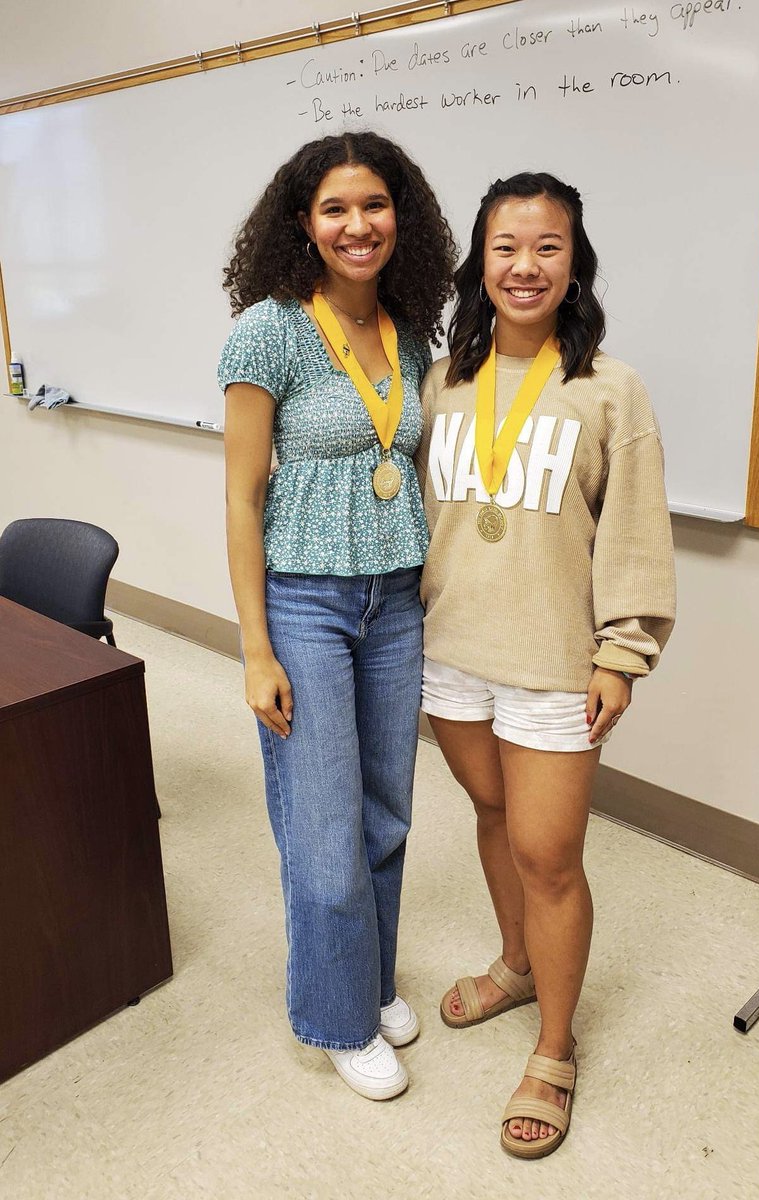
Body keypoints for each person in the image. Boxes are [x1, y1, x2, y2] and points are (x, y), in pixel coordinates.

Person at [415, 172, 676, 1157]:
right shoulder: (441, 380)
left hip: (558, 660)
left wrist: (624, 652)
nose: (525, 266)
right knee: (492, 817)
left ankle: (555, 1049)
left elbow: (638, 535)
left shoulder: (611, 387)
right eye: (506, 248)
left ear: (576, 262)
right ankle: (516, 964)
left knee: (549, 857)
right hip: (453, 655)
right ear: (478, 264)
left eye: (548, 247)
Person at [218, 132, 455, 1100]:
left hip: (394, 598)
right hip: (306, 605)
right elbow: (241, 499)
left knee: (387, 813)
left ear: (403, 217)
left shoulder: (410, 328)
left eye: (374, 205)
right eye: (334, 209)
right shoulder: (267, 331)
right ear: (303, 224)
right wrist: (255, 649)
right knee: (322, 830)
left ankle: (373, 977)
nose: (358, 226)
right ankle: (337, 1015)